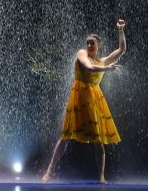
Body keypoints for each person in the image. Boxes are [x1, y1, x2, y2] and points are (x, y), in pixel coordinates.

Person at [42, 19, 126, 184]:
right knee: (66, 136)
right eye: (87, 43)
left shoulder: (102, 61)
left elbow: (122, 49)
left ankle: (101, 176)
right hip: (79, 97)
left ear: (99, 45)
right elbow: (88, 67)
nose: (89, 46)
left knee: (98, 141)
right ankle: (48, 172)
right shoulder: (81, 54)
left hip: (95, 100)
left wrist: (120, 30)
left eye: (92, 43)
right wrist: (107, 69)